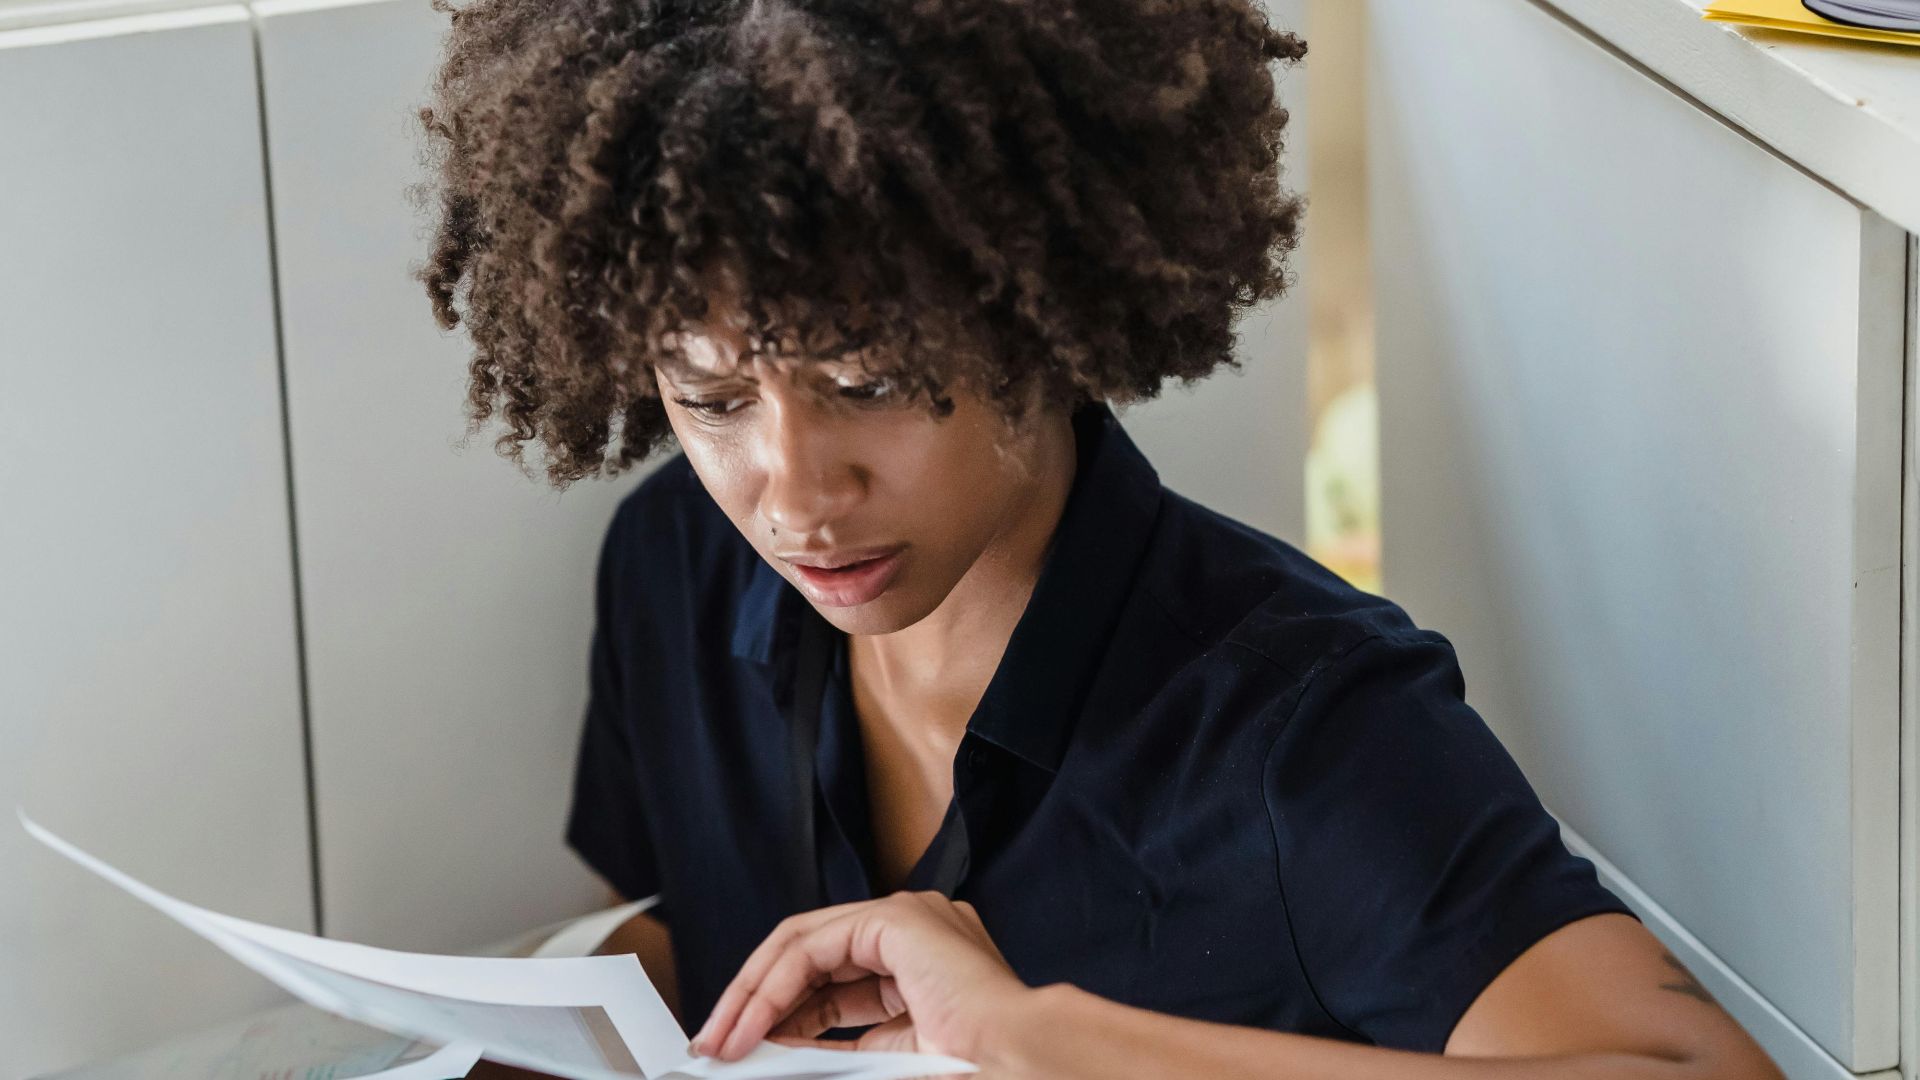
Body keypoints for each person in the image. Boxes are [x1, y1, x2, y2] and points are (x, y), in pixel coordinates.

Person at [413, 0, 1782, 1075]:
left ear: (1041, 317)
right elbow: (693, 933)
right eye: (710, 397)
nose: (791, 491)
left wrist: (1038, 1046)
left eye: (872, 382)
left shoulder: (1294, 728)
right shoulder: (677, 566)